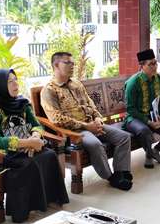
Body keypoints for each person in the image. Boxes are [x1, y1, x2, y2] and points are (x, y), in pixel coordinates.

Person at [0, 69, 69, 223]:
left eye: (16, 80)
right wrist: (28, 143)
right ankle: (21, 210)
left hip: (25, 145)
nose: (16, 84)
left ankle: (49, 200)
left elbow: (37, 125)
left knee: (49, 155)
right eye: (10, 82)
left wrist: (35, 137)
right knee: (27, 163)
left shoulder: (21, 103)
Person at [41, 52, 133, 191]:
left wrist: (98, 119)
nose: (72, 65)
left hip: (92, 124)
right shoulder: (49, 90)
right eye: (67, 62)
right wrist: (86, 126)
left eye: (73, 63)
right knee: (95, 144)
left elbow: (90, 104)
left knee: (124, 137)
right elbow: (56, 118)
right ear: (56, 65)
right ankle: (110, 177)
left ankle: (121, 172)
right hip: (75, 132)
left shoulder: (76, 84)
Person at [124, 49, 160, 168]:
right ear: (142, 66)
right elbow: (130, 109)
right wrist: (148, 122)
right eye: (150, 64)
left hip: (153, 116)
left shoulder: (159, 79)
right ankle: (149, 155)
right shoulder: (133, 83)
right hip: (134, 119)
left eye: (155, 63)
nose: (154, 66)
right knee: (144, 130)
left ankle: (156, 150)